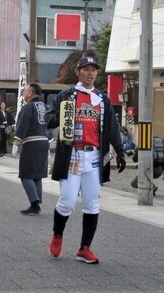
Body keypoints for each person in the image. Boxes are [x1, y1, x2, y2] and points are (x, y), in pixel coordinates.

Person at [46, 56, 126, 264]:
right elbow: (49, 118)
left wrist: (119, 149)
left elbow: (112, 127)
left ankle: (84, 248)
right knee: (68, 202)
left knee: (92, 205)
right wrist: (57, 117)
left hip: (94, 157)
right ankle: (57, 234)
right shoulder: (67, 95)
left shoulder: (102, 99)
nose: (90, 73)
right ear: (77, 72)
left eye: (94, 70)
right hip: (72, 155)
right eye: (86, 69)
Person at [12, 83, 49, 215]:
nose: (23, 94)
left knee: (26, 174)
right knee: (37, 174)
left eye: (25, 91)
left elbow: (22, 125)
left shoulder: (28, 107)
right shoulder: (45, 106)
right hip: (44, 141)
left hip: (32, 143)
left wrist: (16, 143)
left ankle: (34, 204)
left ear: (30, 93)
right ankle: (37, 202)